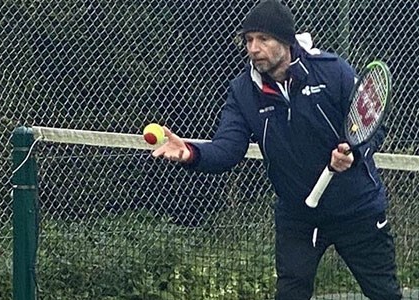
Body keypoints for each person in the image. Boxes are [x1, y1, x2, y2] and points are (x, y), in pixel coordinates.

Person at [151, 1, 401, 299]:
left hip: (357, 210)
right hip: (298, 216)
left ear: (285, 41)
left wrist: (355, 153)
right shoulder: (243, 91)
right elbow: (227, 149)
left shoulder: (332, 71)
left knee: (385, 294)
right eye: (248, 40)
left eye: (263, 39)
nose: (253, 48)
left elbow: (372, 126)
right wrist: (192, 153)